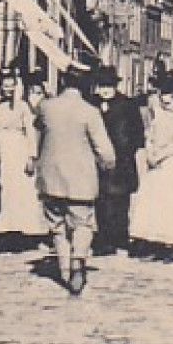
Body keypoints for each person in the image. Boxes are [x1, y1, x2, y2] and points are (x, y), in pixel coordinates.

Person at [35, 67, 116, 295]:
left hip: (50, 177)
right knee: (83, 223)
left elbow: (37, 135)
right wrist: (108, 165)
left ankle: (64, 269)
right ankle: (78, 260)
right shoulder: (89, 111)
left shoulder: (46, 107)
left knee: (57, 225)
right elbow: (104, 148)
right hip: (81, 178)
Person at [130, 71, 173, 259]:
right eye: (162, 100)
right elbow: (150, 134)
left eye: (168, 101)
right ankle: (155, 239)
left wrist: (160, 155)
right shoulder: (159, 112)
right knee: (155, 202)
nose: (164, 104)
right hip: (157, 162)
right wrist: (150, 151)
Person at [91, 65, 145, 256]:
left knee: (120, 201)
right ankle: (104, 240)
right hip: (99, 160)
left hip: (122, 161)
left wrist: (128, 149)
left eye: (108, 86)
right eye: (101, 86)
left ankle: (120, 237)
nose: (104, 90)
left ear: (115, 86)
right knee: (101, 200)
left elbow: (138, 133)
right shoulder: (92, 104)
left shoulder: (127, 105)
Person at [0, 67, 44, 243]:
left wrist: (31, 156)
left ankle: (23, 231)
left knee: (21, 189)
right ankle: (3, 230)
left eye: (11, 86)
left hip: (18, 150)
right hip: (1, 149)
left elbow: (30, 131)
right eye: (5, 86)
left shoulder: (23, 107)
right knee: (4, 189)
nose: (8, 89)